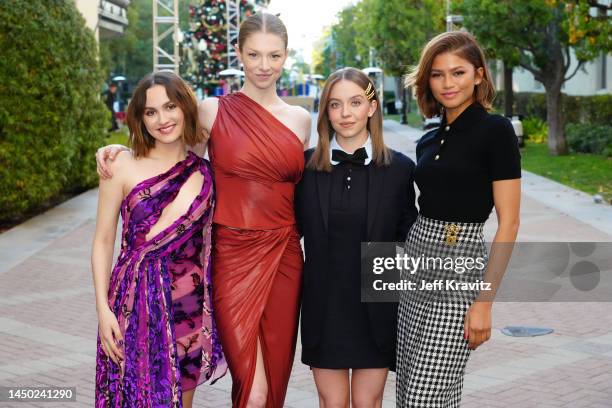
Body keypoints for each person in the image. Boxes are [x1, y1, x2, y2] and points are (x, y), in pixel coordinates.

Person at [95, 13, 311, 408]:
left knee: (274, 379)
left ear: (286, 56)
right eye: (254, 54)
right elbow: (172, 158)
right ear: (239, 54)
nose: (264, 66)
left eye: (274, 55)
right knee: (254, 386)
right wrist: (120, 153)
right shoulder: (213, 111)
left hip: (284, 257)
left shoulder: (301, 120)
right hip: (230, 258)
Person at [396, 31, 521, 407]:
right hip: (417, 262)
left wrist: (484, 302)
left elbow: (510, 223)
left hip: (461, 263)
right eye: (437, 74)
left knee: (424, 394)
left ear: (479, 75)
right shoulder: (429, 137)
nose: (447, 83)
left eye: (458, 72)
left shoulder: (496, 131)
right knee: (413, 389)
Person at [92, 71, 226, 407]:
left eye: (170, 107)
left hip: (189, 308)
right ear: (139, 118)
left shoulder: (205, 172)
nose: (162, 119)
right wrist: (103, 310)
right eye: (151, 112)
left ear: (185, 108)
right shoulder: (120, 165)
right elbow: (104, 240)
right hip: (131, 303)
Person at [296, 67, 418, 408]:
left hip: (376, 307)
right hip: (324, 305)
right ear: (325, 112)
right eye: (335, 105)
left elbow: (410, 235)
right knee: (331, 402)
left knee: (369, 402)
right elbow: (285, 233)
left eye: (355, 102)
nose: (345, 113)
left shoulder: (400, 169)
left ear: (372, 107)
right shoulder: (304, 169)